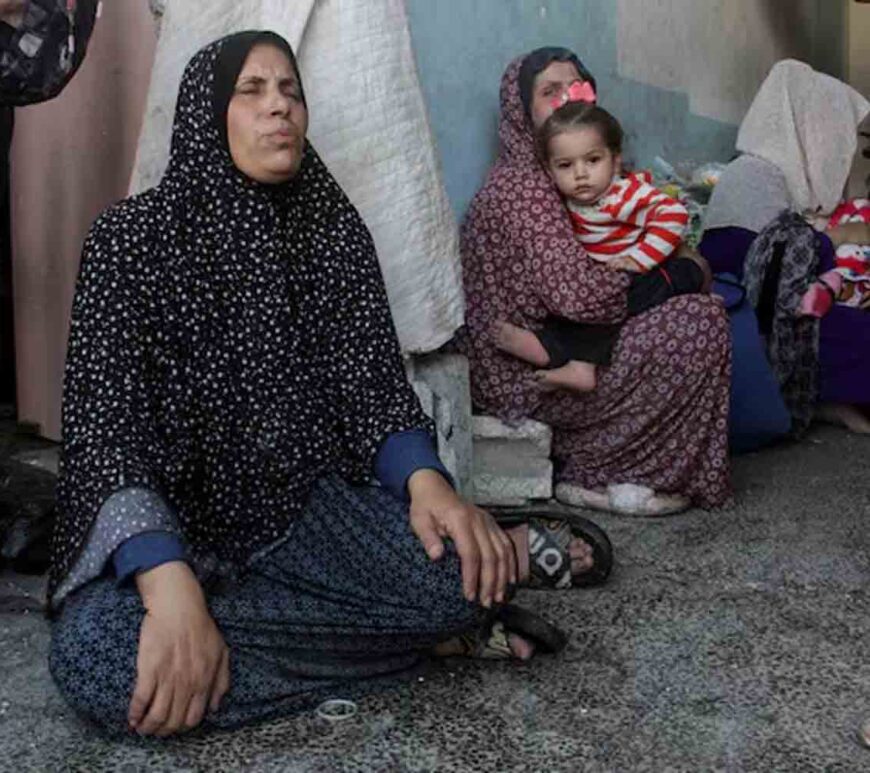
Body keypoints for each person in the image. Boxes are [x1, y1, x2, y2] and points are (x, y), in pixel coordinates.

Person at [48, 32, 611, 738]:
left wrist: (429, 485)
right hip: (167, 531)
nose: (279, 107)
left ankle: (429, 619)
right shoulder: (129, 241)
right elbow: (107, 430)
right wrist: (167, 583)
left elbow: (372, 384)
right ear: (204, 112)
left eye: (290, 91)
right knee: (96, 658)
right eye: (252, 91)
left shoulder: (329, 230)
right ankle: (417, 642)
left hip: (301, 517)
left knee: (452, 580)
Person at [461, 46, 732, 516]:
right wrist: (681, 272)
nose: (566, 99)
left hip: (564, 346)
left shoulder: (569, 176)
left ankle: (634, 466)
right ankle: (602, 471)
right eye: (549, 92)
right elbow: (583, 298)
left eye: (574, 87)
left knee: (697, 305)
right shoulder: (522, 189)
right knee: (698, 321)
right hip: (527, 376)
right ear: (521, 111)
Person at [700, 59, 870, 433]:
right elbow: (762, 276)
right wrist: (834, 241)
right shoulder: (753, 175)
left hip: (771, 305)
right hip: (755, 317)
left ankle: (830, 401)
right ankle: (823, 399)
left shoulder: (778, 175)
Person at [494, 100, 708, 393]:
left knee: (612, 301)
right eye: (565, 165)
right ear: (549, 171)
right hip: (617, 274)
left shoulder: (623, 194)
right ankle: (551, 345)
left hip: (665, 273)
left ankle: (579, 365)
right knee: (584, 302)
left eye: (592, 160)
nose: (580, 174)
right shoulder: (558, 202)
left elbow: (674, 214)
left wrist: (639, 258)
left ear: (615, 161)